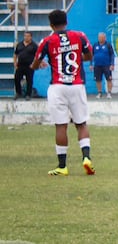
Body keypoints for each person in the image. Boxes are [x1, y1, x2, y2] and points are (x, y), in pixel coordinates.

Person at [32, 10, 95, 176]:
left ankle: (62, 166)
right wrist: (79, 57)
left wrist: (37, 65)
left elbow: (36, 62)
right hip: (77, 85)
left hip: (58, 87)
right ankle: (86, 158)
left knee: (61, 126)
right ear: (66, 22)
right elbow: (89, 55)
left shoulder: (47, 40)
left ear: (51, 25)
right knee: (81, 124)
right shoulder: (79, 36)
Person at [13, 31, 37, 100]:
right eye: (25, 36)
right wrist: (15, 63)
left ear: (31, 37)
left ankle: (28, 94)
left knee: (29, 80)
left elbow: (37, 56)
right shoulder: (19, 44)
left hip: (29, 65)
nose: (26, 37)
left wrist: (34, 64)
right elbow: (15, 54)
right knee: (17, 78)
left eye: (28, 36)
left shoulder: (34, 45)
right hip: (20, 65)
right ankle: (18, 93)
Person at [91, 32, 115, 99]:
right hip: (97, 65)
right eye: (99, 37)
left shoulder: (108, 45)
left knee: (109, 79)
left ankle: (109, 93)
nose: (100, 39)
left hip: (107, 65)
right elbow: (91, 55)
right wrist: (91, 64)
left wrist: (112, 64)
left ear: (105, 38)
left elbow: (112, 55)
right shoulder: (95, 45)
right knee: (98, 80)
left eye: (101, 37)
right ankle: (99, 93)